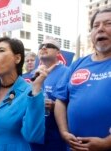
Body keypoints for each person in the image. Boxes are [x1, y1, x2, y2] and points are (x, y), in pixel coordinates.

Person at [54, 7, 111, 151]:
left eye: (108, 23)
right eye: (95, 26)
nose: (100, 29)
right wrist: (64, 132)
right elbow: (60, 100)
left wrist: (107, 143)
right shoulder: (77, 64)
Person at [30, 38, 68, 151]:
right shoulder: (34, 74)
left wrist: (56, 107)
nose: (43, 47)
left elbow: (76, 103)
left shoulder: (67, 72)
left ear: (58, 52)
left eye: (49, 45)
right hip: (34, 137)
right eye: (40, 46)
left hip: (55, 138)